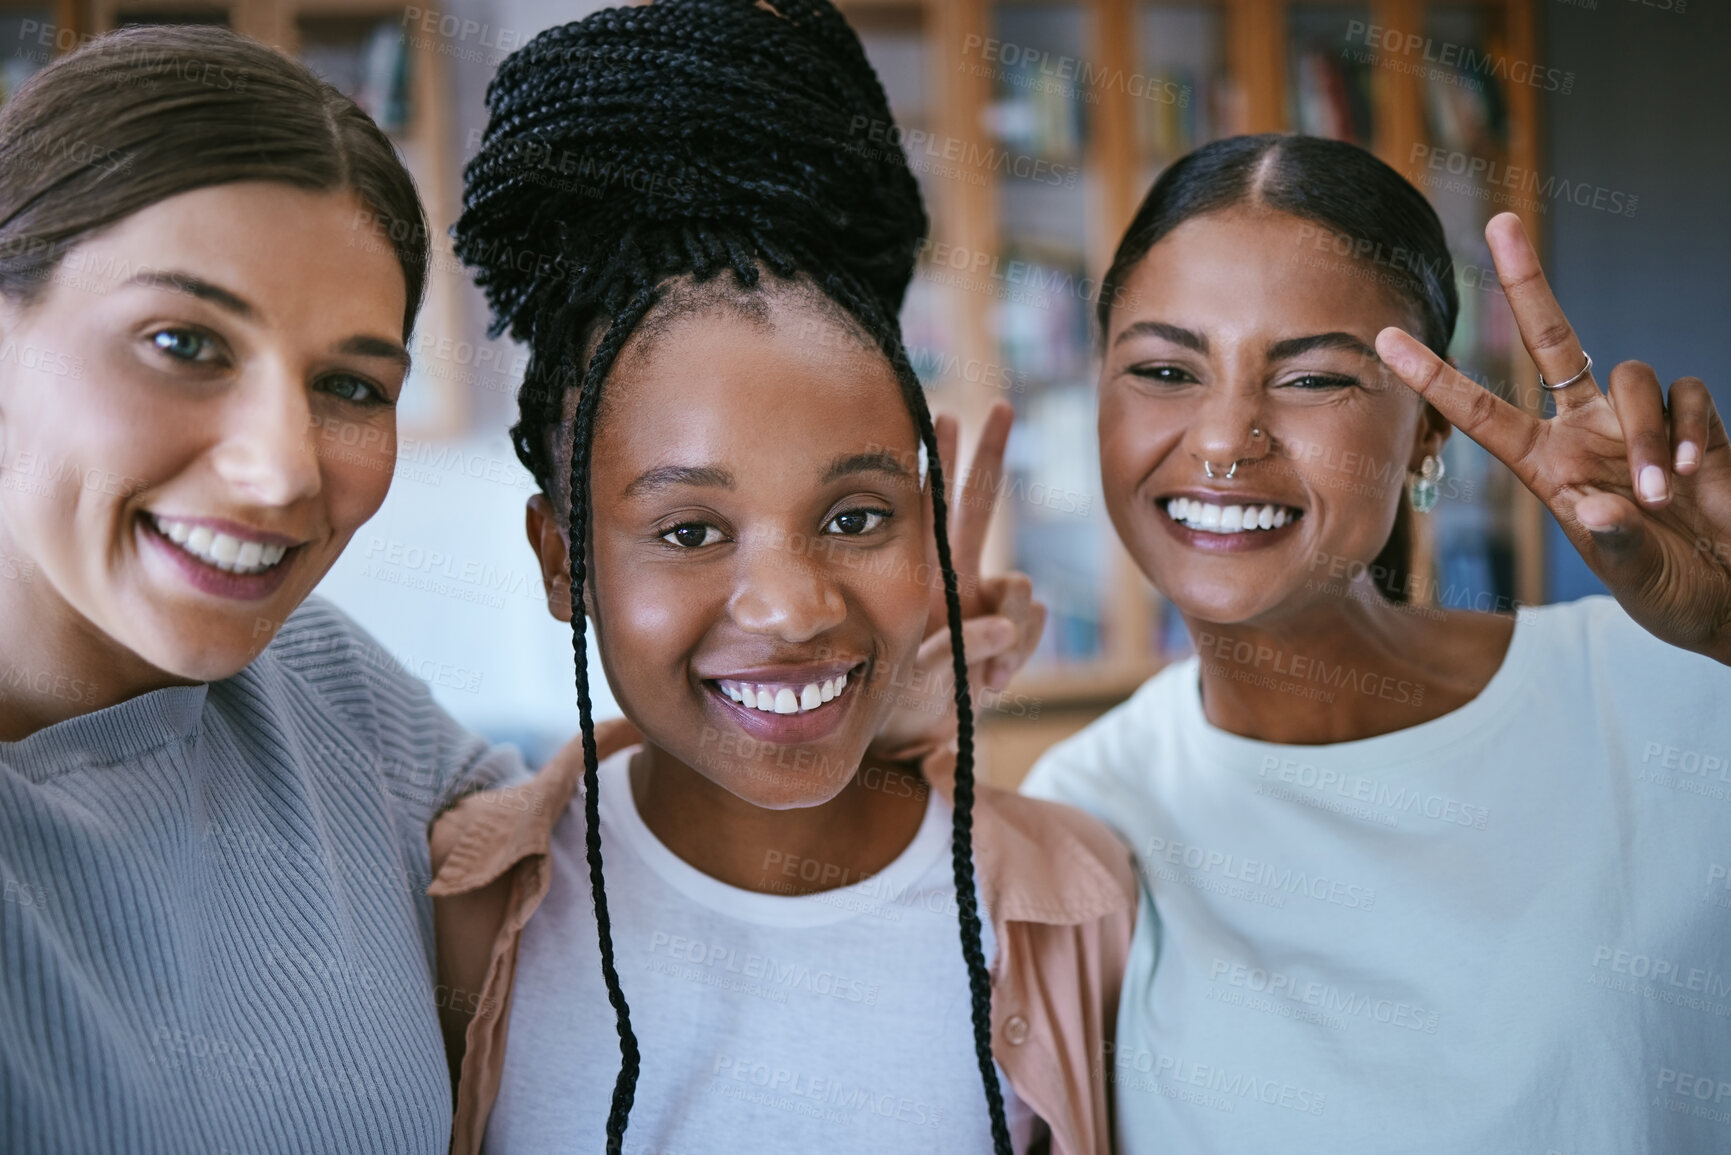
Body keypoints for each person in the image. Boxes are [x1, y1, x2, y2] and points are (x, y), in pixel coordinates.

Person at [427, 2, 1133, 1153]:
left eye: (856, 516)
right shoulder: (466, 908)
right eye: (692, 531)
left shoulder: (1074, 906)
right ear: (563, 559)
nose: (795, 609)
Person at [1022, 132, 1731, 1152]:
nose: (1224, 440)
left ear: (1431, 431)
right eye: (1166, 369)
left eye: (1312, 380)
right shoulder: (1081, 813)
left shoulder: (1667, 685)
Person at [0, 25, 531, 1153]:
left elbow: (587, 878)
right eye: (183, 341)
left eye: (349, 383)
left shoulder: (326, 687)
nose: (282, 467)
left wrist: (843, 719)